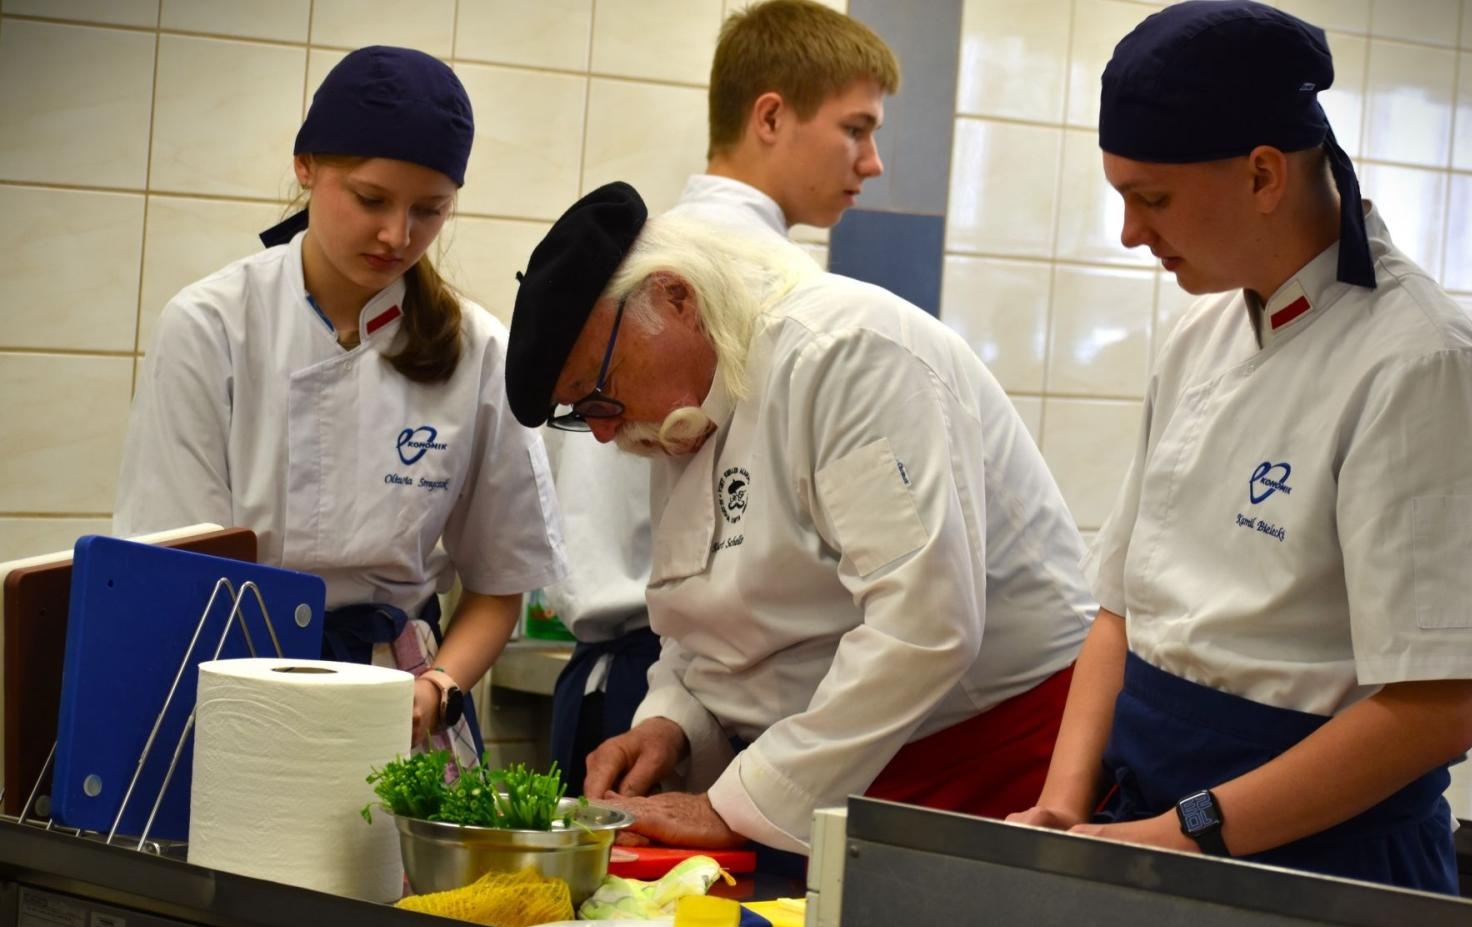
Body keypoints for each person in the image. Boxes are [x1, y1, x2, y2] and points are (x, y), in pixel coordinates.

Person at [1006, 1, 1472, 894]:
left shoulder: (1422, 367)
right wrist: (1063, 811)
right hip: (1141, 827)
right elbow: (1121, 609)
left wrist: (1182, 837)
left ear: (1263, 175)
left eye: (1152, 198)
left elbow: (1435, 709)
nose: (1131, 234)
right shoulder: (1202, 337)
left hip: (1321, 859)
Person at [505, 182, 1098, 853]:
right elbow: (698, 620)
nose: (605, 433)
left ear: (676, 297)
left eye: (597, 391)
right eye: (580, 413)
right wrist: (670, 721)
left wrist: (736, 806)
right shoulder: (684, 408)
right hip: (830, 770)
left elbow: (925, 623)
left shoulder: (846, 355)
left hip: (984, 759)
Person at [114, 46, 566, 766]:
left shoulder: (477, 351)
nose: (397, 236)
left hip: (400, 709)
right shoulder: (213, 326)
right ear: (307, 165)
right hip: (233, 694)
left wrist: (440, 684)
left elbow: (498, 584)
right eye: (370, 199)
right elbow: (175, 572)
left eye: (430, 210)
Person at [542, 0, 901, 792]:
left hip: (651, 686)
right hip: (681, 683)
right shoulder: (752, 291)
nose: (872, 161)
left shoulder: (645, 252)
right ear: (770, 116)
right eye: (855, 127)